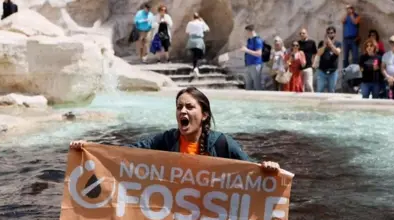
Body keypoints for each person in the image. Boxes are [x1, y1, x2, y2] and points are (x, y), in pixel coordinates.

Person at [69, 87, 280, 172]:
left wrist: (268, 168)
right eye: (179, 107)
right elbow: (128, 152)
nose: (183, 111)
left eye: (189, 106)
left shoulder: (223, 143)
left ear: (204, 115)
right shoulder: (167, 140)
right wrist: (91, 149)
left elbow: (252, 170)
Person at [313, 26, 342, 93]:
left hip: (333, 72)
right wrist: (325, 45)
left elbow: (337, 52)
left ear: (334, 34)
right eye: (328, 33)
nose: (330, 34)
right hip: (321, 71)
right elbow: (319, 53)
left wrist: (331, 44)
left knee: (331, 91)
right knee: (319, 90)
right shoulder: (322, 43)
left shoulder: (338, 43)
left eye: (331, 33)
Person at [185, 12, 210, 77]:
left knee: (194, 55)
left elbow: (187, 31)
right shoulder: (201, 23)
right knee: (199, 55)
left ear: (193, 17)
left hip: (191, 40)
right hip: (199, 40)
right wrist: (203, 21)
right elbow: (207, 29)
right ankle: (196, 68)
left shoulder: (190, 23)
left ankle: (195, 68)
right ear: (199, 17)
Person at [241, 24, 263, 90]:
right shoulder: (249, 40)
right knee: (248, 86)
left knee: (257, 85)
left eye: (246, 32)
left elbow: (259, 53)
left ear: (250, 31)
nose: (245, 34)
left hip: (255, 65)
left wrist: (246, 50)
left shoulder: (257, 40)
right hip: (248, 65)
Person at [341, 4, 361, 68]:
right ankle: (345, 72)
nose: (348, 10)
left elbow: (355, 22)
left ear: (352, 9)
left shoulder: (357, 16)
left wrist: (351, 15)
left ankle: (354, 72)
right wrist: (346, 14)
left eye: (349, 8)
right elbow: (342, 21)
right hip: (346, 39)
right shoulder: (346, 16)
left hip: (354, 39)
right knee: (345, 56)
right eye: (347, 9)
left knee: (355, 56)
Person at [298, 28, 318, 92]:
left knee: (309, 85)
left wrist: (313, 64)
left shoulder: (312, 42)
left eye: (303, 33)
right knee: (301, 86)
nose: (302, 34)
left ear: (307, 34)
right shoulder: (297, 43)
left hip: (308, 67)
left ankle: (313, 97)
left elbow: (315, 54)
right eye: (300, 33)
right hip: (299, 68)